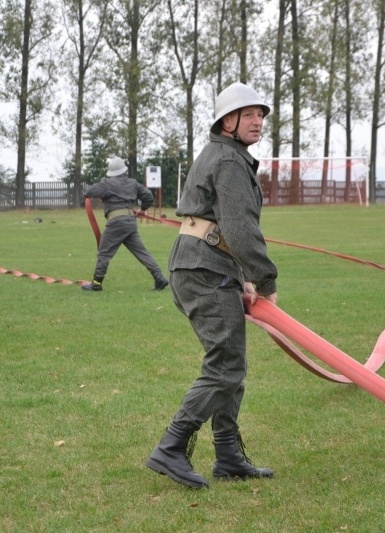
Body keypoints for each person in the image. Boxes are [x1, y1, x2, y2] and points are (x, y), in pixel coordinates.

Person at [146, 82, 278, 489]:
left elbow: (225, 228)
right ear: (227, 121)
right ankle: (171, 447)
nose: (257, 121)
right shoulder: (228, 161)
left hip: (207, 267)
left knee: (230, 363)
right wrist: (265, 279)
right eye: (249, 114)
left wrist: (241, 277)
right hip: (205, 270)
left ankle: (228, 456)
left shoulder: (227, 156)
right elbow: (239, 229)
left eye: (260, 114)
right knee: (225, 366)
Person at [81, 157, 169, 292]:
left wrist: (91, 188)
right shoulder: (133, 183)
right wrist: (143, 209)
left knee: (104, 253)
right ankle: (159, 277)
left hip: (116, 223)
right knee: (141, 252)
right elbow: (148, 196)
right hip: (130, 222)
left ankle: (96, 283)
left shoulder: (107, 184)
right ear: (124, 171)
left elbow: (88, 192)